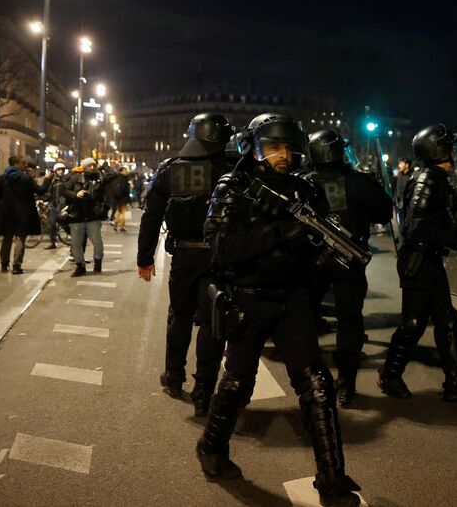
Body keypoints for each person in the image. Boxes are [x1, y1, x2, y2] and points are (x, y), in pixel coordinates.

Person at [196, 113, 362, 506]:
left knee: (317, 386)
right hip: (250, 297)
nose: (283, 155)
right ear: (254, 147)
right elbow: (222, 249)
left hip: (293, 299)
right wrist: (277, 233)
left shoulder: (306, 190)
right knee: (238, 384)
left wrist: (324, 261)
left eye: (289, 147)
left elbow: (316, 249)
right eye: (273, 147)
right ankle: (211, 448)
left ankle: (331, 479)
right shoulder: (233, 187)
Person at [378, 123, 457, 404]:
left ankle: (455, 382)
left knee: (448, 319)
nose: (455, 153)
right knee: (414, 323)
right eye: (450, 148)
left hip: (430, 260)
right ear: (438, 151)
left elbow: (445, 215)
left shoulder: (437, 178)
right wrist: (455, 236)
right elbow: (419, 228)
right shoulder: (427, 179)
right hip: (419, 261)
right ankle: (390, 376)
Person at [137, 113, 234, 415]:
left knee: (178, 316)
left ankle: (174, 376)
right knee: (211, 320)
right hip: (220, 255)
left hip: (183, 255)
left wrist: (145, 257)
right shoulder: (231, 170)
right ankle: (204, 390)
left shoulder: (169, 170)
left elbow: (151, 215)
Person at [307, 129, 392, 406]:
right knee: (350, 319)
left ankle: (310, 379)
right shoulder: (358, 182)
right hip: (348, 260)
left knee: (305, 318)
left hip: (311, 260)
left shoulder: (303, 182)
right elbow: (384, 213)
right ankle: (346, 383)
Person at [0, 156, 53, 274]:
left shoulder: (1, 178)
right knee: (20, 238)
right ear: (16, 163)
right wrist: (47, 179)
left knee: (7, 238)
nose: (25, 164)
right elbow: (41, 191)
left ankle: (4, 265)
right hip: (22, 213)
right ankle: (16, 266)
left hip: (6, 213)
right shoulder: (25, 178)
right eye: (23, 162)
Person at [61, 158, 109, 277]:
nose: (92, 168)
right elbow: (63, 189)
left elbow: (113, 175)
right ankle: (80, 266)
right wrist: (75, 194)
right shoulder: (75, 177)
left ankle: (98, 263)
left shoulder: (100, 178)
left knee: (97, 242)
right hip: (77, 215)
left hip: (93, 215)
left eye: (93, 165)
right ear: (84, 167)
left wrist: (105, 166)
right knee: (76, 243)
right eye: (89, 166)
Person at [44, 162, 68, 250]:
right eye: (59, 170)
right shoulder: (52, 181)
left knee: (64, 222)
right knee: (52, 223)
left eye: (62, 170)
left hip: (63, 205)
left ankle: (73, 237)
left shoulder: (66, 180)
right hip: (54, 204)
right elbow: (48, 192)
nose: (61, 171)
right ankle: (52, 242)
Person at [107, 164, 131, 232]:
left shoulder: (116, 178)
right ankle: (120, 225)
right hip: (123, 199)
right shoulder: (123, 179)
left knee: (119, 212)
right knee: (123, 213)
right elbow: (124, 190)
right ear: (121, 172)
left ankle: (116, 223)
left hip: (117, 198)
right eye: (125, 170)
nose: (126, 172)